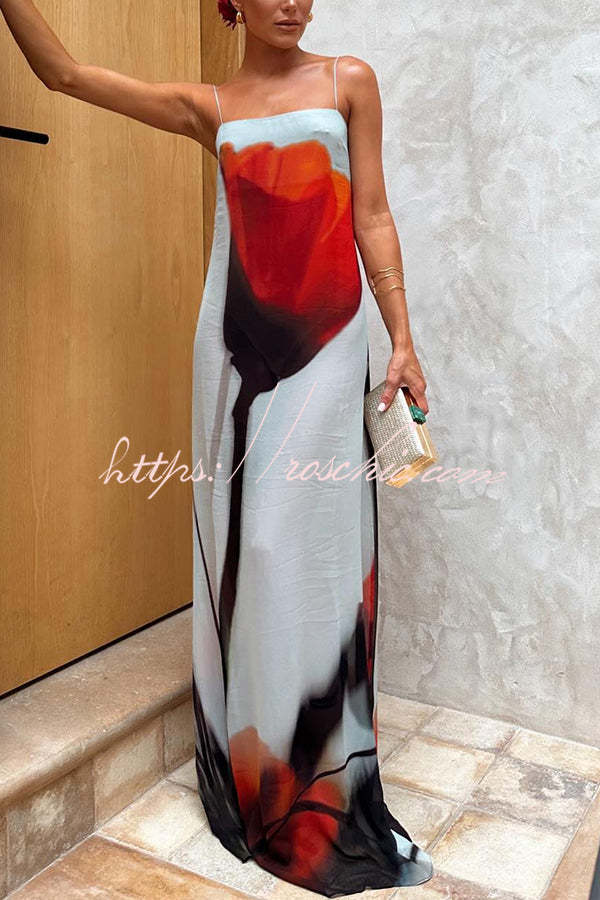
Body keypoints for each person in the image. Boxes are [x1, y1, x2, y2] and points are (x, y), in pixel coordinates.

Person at [1, 0, 432, 895]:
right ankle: (256, 766)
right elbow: (65, 74)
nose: (292, 4)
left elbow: (373, 214)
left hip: (329, 345)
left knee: (295, 546)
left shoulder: (348, 80)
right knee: (246, 546)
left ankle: (313, 770)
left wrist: (402, 336)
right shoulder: (210, 105)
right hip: (234, 352)